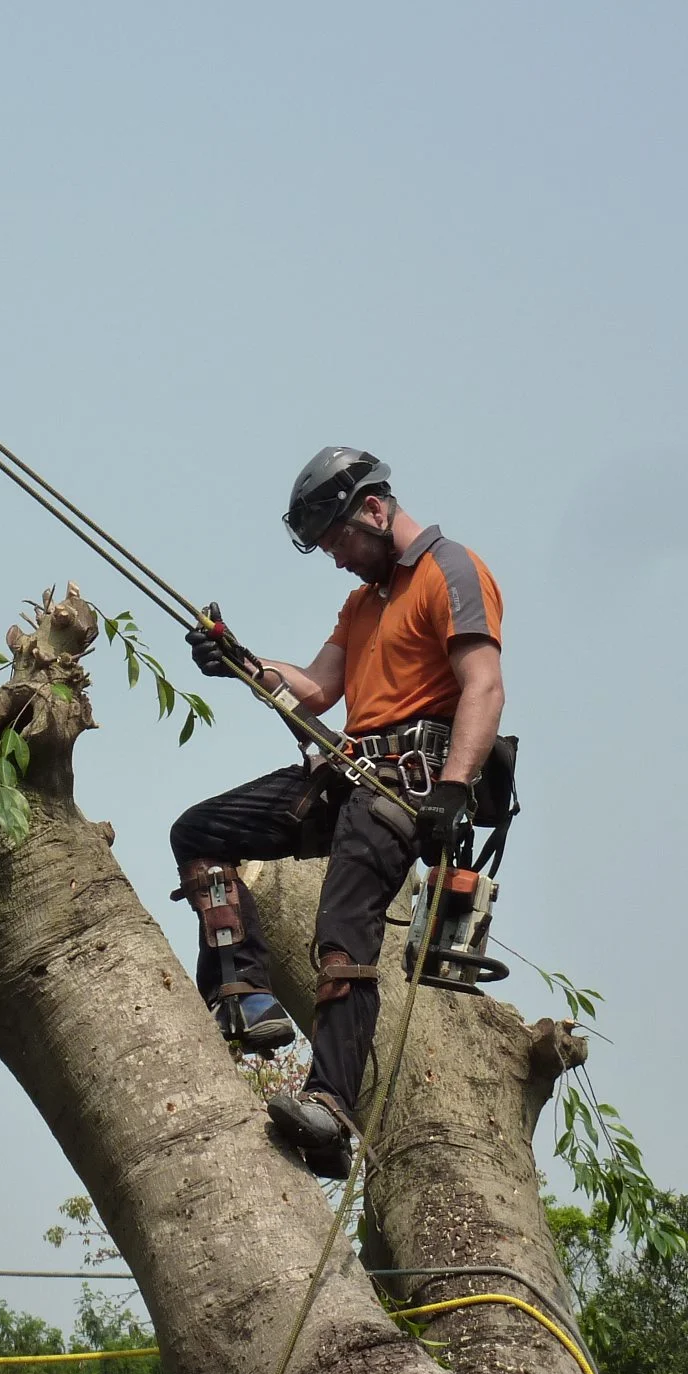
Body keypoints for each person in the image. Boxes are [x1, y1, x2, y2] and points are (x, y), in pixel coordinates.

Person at [170, 448, 504, 1177]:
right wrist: (239, 660)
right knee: (200, 832)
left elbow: (483, 685)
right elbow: (318, 689)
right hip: (350, 776)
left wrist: (452, 790)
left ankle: (331, 1108)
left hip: (407, 786)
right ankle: (244, 994)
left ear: (375, 511)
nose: (337, 560)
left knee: (343, 924)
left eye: (339, 541)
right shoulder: (363, 603)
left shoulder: (450, 570)